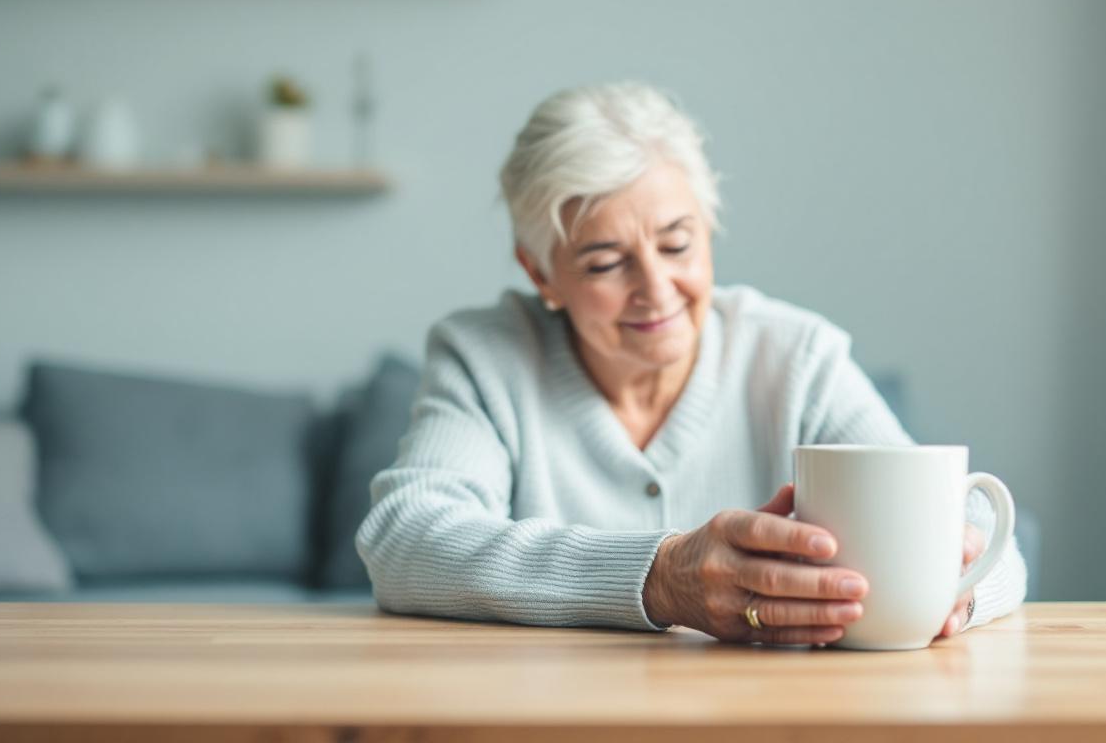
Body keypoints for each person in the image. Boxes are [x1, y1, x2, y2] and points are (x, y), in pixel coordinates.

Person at [356, 82, 1026, 645]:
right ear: (541, 272)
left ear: (708, 231)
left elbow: (994, 545)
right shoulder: (486, 355)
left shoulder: (794, 354)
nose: (655, 288)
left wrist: (950, 595)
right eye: (605, 262)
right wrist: (660, 575)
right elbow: (404, 538)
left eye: (676, 245)